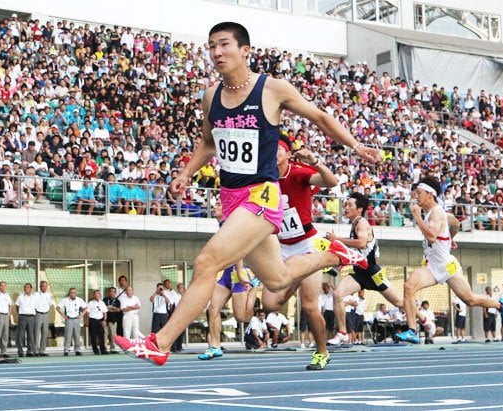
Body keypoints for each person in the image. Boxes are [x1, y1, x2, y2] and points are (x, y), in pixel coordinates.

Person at [115, 21, 378, 365]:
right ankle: (335, 255)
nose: (216, 52)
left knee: (206, 262)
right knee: (278, 279)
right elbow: (209, 143)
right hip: (231, 198)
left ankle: (159, 343)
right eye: (211, 46)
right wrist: (185, 173)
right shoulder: (211, 96)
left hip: (262, 197)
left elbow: (320, 117)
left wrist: (355, 145)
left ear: (245, 50)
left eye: (224, 44)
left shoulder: (272, 90)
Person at [261, 135, 337, 370]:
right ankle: (294, 278)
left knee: (309, 306)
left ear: (287, 154)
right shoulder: (263, 177)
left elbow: (331, 181)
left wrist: (315, 161)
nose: (273, 154)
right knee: (270, 303)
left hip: (306, 244)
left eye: (278, 150)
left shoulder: (299, 173)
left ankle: (322, 352)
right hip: (281, 245)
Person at [396, 177, 503, 344]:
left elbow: (431, 237)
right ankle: (411, 330)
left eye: (419, 193)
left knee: (470, 299)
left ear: (430, 194)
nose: (416, 196)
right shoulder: (437, 213)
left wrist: (417, 217)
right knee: (408, 287)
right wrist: (449, 238)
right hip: (432, 266)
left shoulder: (437, 212)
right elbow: (455, 223)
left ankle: (499, 305)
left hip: (446, 265)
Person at [326, 192, 404, 346]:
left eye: (349, 205)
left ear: (359, 209)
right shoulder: (354, 224)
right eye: (346, 204)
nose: (346, 207)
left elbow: (361, 243)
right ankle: (342, 333)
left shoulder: (362, 223)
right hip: (359, 273)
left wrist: (338, 240)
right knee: (337, 294)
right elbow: (358, 251)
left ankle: (423, 318)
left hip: (373, 273)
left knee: (398, 302)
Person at [197, 201, 260, 361]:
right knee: (213, 309)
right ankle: (215, 346)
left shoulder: (228, 222)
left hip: (238, 273)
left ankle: (255, 285)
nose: (214, 206)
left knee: (241, 318)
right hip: (226, 274)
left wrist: (239, 271)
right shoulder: (221, 225)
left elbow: (238, 247)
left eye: (218, 204)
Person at [56, 288, 87, 356]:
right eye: (71, 293)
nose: (73, 294)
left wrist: (81, 315)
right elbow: (58, 307)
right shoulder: (65, 300)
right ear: (69, 293)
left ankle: (77, 350)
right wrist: (63, 315)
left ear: (76, 293)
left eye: (74, 293)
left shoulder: (79, 300)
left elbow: (85, 308)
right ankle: (66, 350)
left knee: (77, 335)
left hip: (76, 319)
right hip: (69, 319)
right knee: (68, 335)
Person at [15, 283, 36, 357]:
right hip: (22, 316)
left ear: (31, 289)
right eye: (25, 288)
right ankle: (20, 351)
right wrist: (20, 314)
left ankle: (29, 351)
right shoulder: (20, 297)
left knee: (30, 334)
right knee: (21, 334)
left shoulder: (34, 297)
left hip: (31, 317)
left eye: (27, 287)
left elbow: (36, 307)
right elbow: (17, 306)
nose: (26, 289)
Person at [86, 290, 108, 355]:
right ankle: (95, 350)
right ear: (93, 295)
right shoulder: (90, 303)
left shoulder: (102, 303)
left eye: (98, 294)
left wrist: (104, 320)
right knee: (93, 336)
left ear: (100, 295)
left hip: (100, 320)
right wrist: (87, 322)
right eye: (95, 294)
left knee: (101, 336)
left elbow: (105, 312)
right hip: (92, 320)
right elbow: (87, 313)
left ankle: (103, 350)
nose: (97, 295)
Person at [103, 287, 121, 353]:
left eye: (113, 292)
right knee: (105, 335)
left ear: (115, 293)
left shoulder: (117, 301)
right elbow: (104, 309)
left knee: (113, 335)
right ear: (109, 292)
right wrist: (112, 309)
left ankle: (113, 349)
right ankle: (104, 349)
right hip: (105, 320)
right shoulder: (105, 299)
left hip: (113, 320)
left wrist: (112, 307)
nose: (112, 293)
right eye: (111, 291)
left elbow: (118, 310)